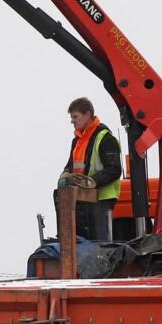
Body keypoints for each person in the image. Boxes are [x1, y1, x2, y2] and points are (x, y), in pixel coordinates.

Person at [58, 97, 123, 241]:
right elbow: (71, 165)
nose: (72, 121)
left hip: (102, 198)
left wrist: (92, 181)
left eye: (75, 117)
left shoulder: (105, 138)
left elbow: (114, 169)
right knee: (83, 242)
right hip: (82, 198)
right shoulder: (78, 141)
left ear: (87, 115)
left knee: (101, 242)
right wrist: (65, 175)